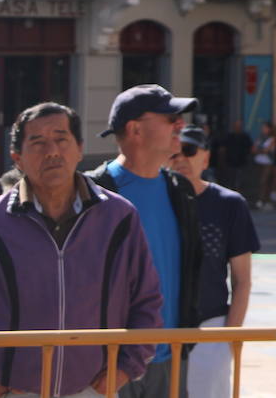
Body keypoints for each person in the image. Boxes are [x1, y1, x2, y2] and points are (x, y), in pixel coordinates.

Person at [0, 103, 163, 398]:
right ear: (17, 158)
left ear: (79, 149)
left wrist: (123, 369)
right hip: (13, 389)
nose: (52, 151)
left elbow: (146, 301)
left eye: (61, 139)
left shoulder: (119, 217)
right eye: (38, 142)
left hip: (93, 388)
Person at [86, 84, 203, 398]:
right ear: (135, 129)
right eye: (169, 118)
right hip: (109, 362)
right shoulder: (92, 193)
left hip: (172, 356)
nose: (180, 124)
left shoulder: (181, 189)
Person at [168, 126, 260, 398]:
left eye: (190, 151)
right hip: (158, 329)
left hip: (211, 327)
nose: (181, 158)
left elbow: (242, 280)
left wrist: (228, 340)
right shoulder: (156, 201)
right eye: (174, 153)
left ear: (205, 159)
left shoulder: (229, 204)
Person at [220, 121, 252, 196]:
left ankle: (239, 194)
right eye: (236, 126)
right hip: (230, 161)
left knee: (240, 180)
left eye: (239, 126)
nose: (237, 128)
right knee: (231, 179)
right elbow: (223, 149)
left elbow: (250, 148)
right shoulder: (229, 136)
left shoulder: (245, 136)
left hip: (241, 162)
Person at [254, 121, 276, 209]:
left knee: (265, 181)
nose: (263, 129)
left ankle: (264, 199)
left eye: (265, 128)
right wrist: (260, 150)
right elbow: (253, 149)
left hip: (268, 162)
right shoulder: (259, 138)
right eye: (262, 128)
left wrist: (260, 150)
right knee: (260, 181)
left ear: (270, 129)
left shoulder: (272, 138)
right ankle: (261, 199)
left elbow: (267, 150)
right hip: (259, 162)